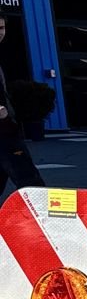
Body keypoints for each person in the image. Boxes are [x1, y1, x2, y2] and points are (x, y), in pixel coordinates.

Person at [0, 16, 44, 191]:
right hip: (4, 134)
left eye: (1, 28)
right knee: (31, 184)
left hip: (6, 127)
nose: (0, 33)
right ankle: (43, 216)